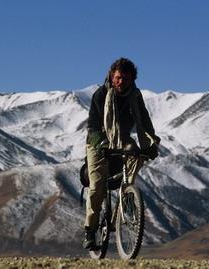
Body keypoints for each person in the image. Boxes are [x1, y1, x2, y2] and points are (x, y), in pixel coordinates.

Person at [83, 57, 160, 250]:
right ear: (111, 76)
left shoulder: (135, 96)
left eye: (125, 78)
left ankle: (127, 192)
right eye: (118, 78)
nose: (121, 82)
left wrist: (151, 143)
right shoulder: (100, 95)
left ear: (132, 78)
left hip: (123, 139)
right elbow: (92, 126)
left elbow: (144, 119)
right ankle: (90, 231)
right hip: (97, 142)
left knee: (137, 156)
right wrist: (100, 142)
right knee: (97, 187)